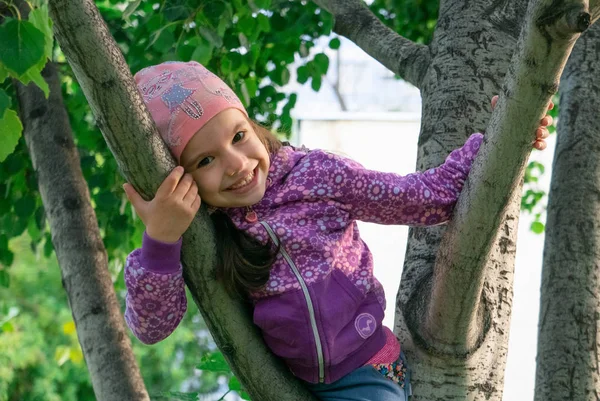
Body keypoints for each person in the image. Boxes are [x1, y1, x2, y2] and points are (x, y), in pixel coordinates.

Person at [122, 61, 552, 400]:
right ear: (184, 180)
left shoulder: (318, 176)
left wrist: (500, 142)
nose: (235, 164)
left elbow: (427, 198)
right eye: (205, 161)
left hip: (365, 375)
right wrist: (160, 239)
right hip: (287, 382)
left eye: (238, 136)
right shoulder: (207, 229)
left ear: (252, 125)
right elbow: (151, 327)